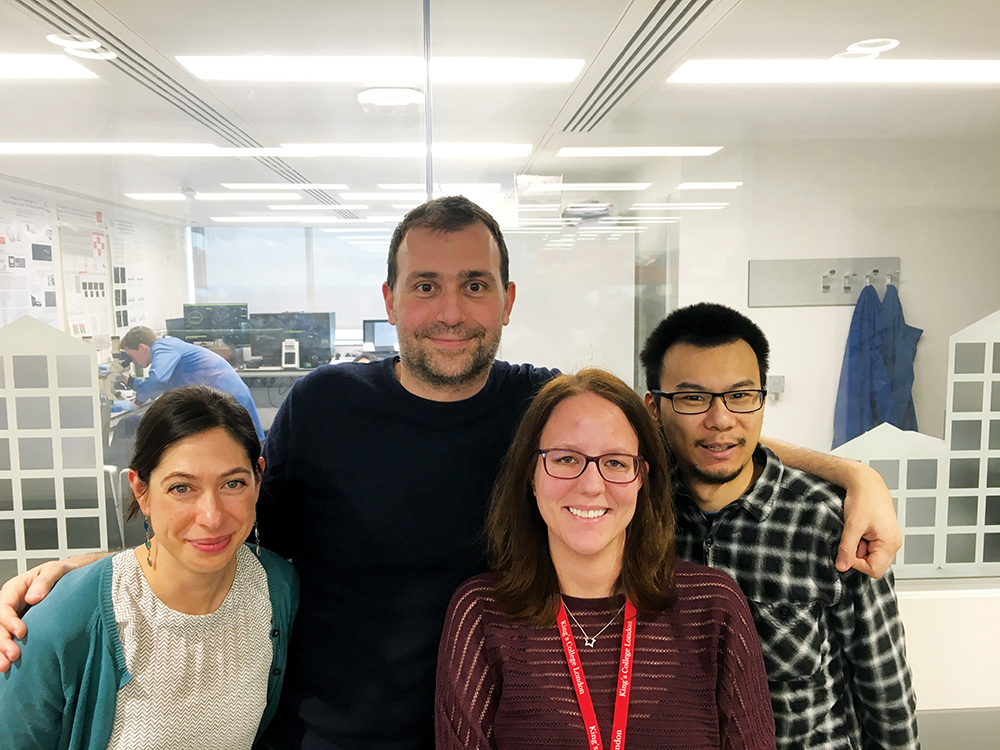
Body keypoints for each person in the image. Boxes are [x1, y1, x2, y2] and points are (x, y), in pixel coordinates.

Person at [0, 197, 900, 750]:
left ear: (507, 300)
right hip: (334, 735)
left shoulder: (546, 410)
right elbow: (223, 522)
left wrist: (854, 477)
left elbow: (686, 429)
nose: (450, 310)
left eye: (474, 284)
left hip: (511, 724)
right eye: (425, 285)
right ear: (390, 300)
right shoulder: (323, 406)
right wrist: (98, 574)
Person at [436, 369, 776, 750]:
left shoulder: (714, 607)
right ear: (531, 474)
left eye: (615, 462)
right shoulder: (481, 613)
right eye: (566, 458)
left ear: (641, 477)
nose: (591, 486)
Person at [640, 303, 918, 750]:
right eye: (693, 398)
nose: (721, 419)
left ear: (762, 400)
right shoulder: (637, 515)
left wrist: (860, 476)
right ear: (655, 408)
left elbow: (885, 693)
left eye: (741, 395)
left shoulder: (829, 522)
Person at [0, 385, 298, 749]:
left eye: (233, 483)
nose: (212, 516)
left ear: (258, 479)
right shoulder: (65, 620)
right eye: (181, 488)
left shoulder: (277, 588)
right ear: (141, 490)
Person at [119, 325, 265, 440]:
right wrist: (127, 380)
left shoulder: (162, 347)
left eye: (131, 356)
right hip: (221, 399)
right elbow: (158, 386)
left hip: (228, 398)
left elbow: (157, 379)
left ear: (142, 347)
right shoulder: (168, 350)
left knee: (245, 448)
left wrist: (136, 403)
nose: (133, 361)